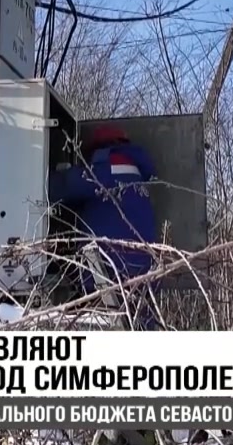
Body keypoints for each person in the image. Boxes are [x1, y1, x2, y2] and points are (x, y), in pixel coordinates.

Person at [48, 125, 158, 326]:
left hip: (112, 275)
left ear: (102, 149)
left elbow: (60, 187)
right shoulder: (135, 173)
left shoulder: (108, 168)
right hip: (145, 275)